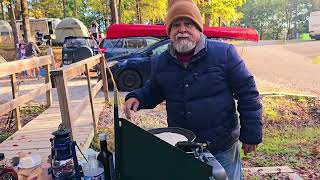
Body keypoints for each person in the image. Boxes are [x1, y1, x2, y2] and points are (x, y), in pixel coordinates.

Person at [123, 0, 263, 179]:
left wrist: (251, 134)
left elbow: (248, 94)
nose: (182, 29)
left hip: (222, 145)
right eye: (175, 25)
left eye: (188, 24)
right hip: (183, 148)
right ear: (170, 32)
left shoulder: (225, 54)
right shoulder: (160, 62)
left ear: (198, 29)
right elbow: (155, 89)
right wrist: (138, 97)